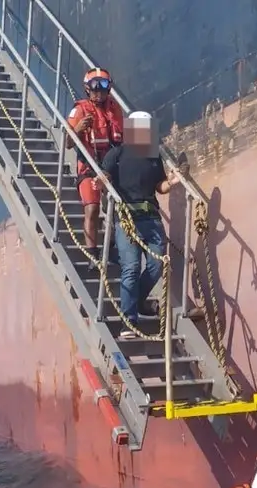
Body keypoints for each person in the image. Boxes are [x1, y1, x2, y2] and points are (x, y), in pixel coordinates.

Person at [99, 111, 181, 336]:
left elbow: (160, 186)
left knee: (156, 266)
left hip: (151, 219)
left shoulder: (152, 156)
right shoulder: (116, 153)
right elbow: (104, 175)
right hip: (127, 219)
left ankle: (139, 300)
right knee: (131, 267)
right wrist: (100, 181)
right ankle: (129, 321)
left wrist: (172, 181)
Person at [66, 67, 125, 251]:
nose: (98, 92)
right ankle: (92, 252)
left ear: (109, 88)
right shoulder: (80, 110)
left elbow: (122, 138)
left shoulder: (115, 109)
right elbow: (68, 143)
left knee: (116, 206)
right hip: (88, 167)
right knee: (92, 209)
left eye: (103, 87)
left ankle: (114, 244)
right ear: (87, 89)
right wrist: (78, 130)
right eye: (94, 87)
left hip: (110, 166)